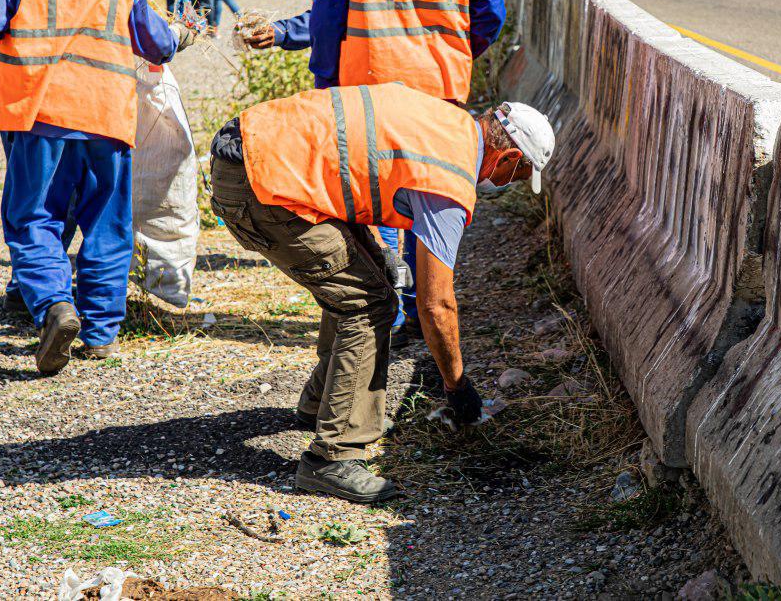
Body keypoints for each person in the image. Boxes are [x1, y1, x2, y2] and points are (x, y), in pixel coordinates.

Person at [208, 85, 554, 502]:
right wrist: (456, 385)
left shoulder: (447, 123)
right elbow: (436, 304)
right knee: (368, 304)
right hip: (264, 182)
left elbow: (354, 166)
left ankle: (322, 405)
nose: (506, 184)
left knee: (367, 279)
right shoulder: (450, 178)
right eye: (514, 177)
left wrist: (377, 252)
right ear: (511, 157)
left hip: (254, 148)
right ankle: (333, 458)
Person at [0, 0, 192, 373]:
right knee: (107, 219)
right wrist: (182, 34)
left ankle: (53, 306)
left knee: (33, 216)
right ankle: (102, 329)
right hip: (108, 113)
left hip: (40, 110)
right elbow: (155, 42)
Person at [290, 0, 508, 344]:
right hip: (440, 93)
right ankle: (417, 311)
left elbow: (327, 19)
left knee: (377, 199)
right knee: (427, 197)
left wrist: (327, 80)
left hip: (369, 92)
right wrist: (455, 53)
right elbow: (490, 15)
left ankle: (382, 314)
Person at [0, 0, 103, 321]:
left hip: (48, 87)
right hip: (32, 89)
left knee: (50, 199)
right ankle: (43, 295)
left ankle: (36, 288)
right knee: (42, 202)